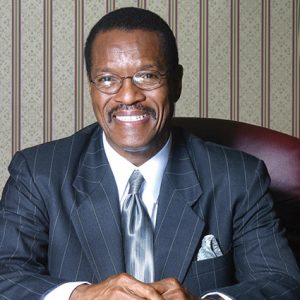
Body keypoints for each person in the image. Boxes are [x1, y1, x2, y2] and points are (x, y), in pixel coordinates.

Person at [0, 7, 299, 300]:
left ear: (177, 82)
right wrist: (82, 295)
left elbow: (282, 283)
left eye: (147, 76)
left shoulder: (238, 178)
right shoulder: (37, 173)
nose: (128, 96)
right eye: (107, 79)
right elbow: (5, 275)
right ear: (91, 86)